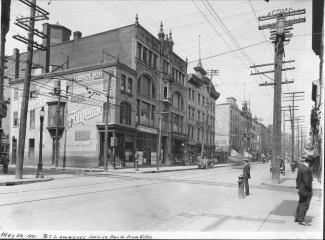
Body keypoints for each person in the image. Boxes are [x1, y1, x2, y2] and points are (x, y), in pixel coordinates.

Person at [294, 156, 313, 225]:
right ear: (310, 162)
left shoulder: (301, 167)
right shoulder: (305, 169)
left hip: (301, 189)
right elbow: (307, 181)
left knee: (300, 203)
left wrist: (298, 186)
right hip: (306, 189)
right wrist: (309, 189)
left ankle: (297, 218)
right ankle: (301, 220)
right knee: (305, 204)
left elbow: (297, 179)